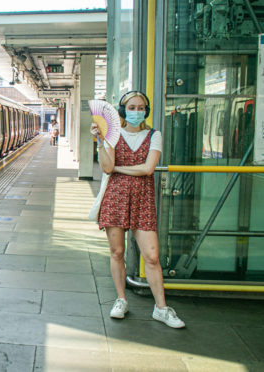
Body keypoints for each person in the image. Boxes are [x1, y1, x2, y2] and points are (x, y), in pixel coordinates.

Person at [90, 91, 185, 328]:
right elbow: (107, 166)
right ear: (122, 111)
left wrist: (120, 170)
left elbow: (148, 169)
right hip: (115, 198)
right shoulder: (112, 134)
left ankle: (161, 308)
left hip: (142, 199)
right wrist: (100, 141)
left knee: (152, 256)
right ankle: (121, 299)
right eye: (131, 107)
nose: (136, 111)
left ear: (147, 110)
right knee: (117, 253)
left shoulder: (155, 135)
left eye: (140, 107)